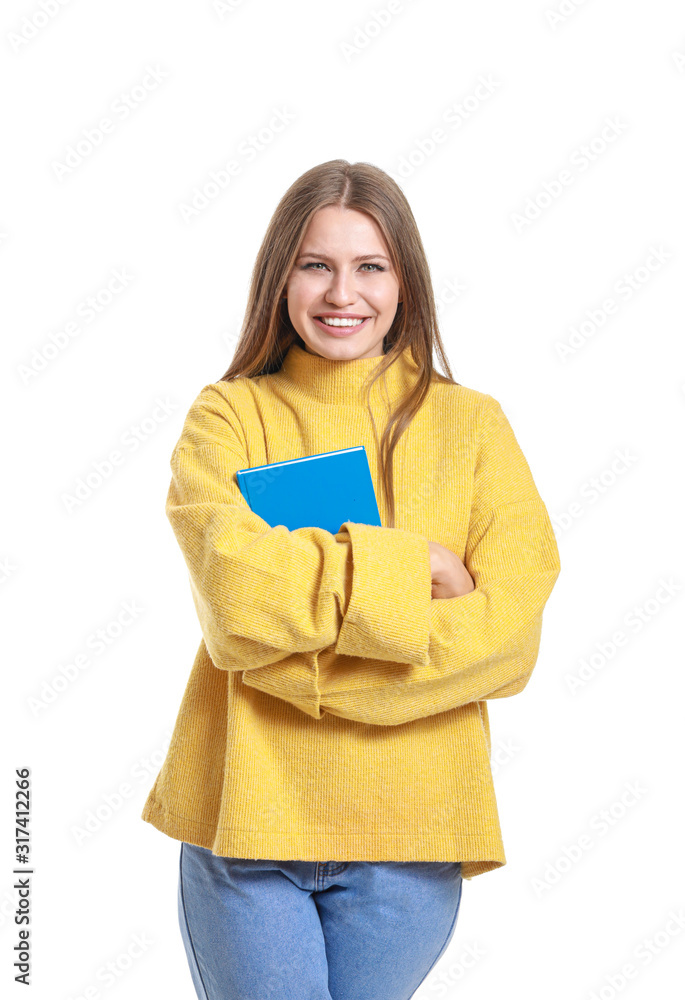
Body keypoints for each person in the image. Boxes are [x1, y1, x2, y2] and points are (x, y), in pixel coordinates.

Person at [141, 158, 561, 999]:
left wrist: (295, 665)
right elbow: (233, 597)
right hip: (249, 824)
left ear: (405, 280)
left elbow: (507, 641)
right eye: (315, 264)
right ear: (280, 277)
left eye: (370, 266)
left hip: (411, 834)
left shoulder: (473, 427)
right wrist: (417, 570)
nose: (343, 293)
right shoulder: (227, 415)